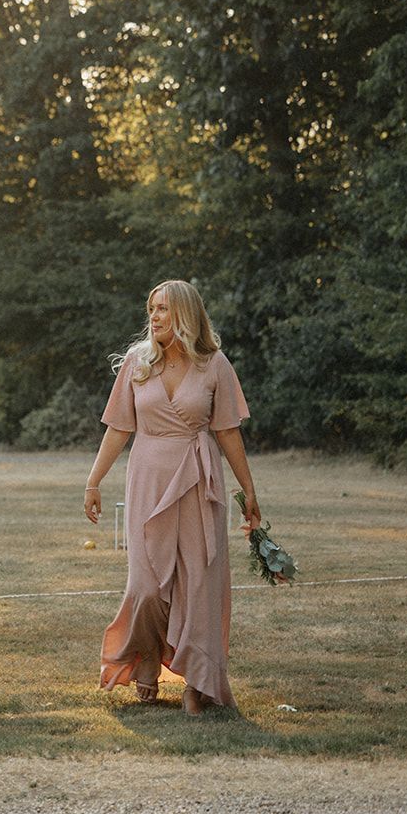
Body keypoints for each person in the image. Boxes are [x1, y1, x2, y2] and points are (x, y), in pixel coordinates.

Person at [84, 279, 260, 715]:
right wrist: (93, 481)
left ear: (184, 314)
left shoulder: (214, 364)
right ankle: (144, 654)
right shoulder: (136, 362)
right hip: (148, 478)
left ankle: (197, 685)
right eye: (151, 309)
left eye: (163, 309)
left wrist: (249, 490)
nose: (154, 316)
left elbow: (227, 432)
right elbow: (119, 428)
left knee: (200, 584)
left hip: (199, 482)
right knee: (146, 585)